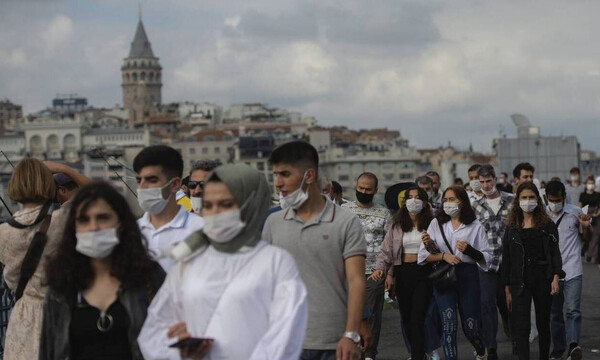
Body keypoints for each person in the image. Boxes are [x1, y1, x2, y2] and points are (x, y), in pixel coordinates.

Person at [139, 164, 308, 359]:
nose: (215, 212)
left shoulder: (275, 262)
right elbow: (156, 328)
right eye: (208, 205)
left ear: (250, 204)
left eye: (226, 204)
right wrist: (178, 351)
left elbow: (285, 336)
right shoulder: (190, 260)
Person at [262, 141, 366, 360]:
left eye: (285, 174)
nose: (278, 183)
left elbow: (356, 281)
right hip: (286, 339)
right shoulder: (273, 222)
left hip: (333, 342)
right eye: (275, 175)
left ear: (309, 176)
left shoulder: (346, 222)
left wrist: (351, 333)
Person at [39, 181, 166, 360]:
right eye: (84, 220)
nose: (93, 227)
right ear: (73, 228)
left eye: (103, 218)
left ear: (120, 223)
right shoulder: (62, 285)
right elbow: (48, 349)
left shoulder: (148, 277)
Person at [0, 159, 70, 359]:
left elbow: (11, 276)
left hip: (22, 314)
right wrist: (65, 170)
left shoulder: (3, 231)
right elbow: (98, 196)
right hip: (58, 311)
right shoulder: (61, 220)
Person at [418, 185, 492, 360]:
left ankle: (481, 350)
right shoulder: (436, 223)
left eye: (452, 199)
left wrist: (470, 251)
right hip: (445, 276)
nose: (447, 203)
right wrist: (444, 256)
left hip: (468, 276)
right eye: (445, 200)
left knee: (471, 325)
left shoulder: (475, 225)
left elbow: (486, 257)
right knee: (449, 323)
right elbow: (423, 255)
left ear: (462, 202)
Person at [502, 182, 563, 360]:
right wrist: (506, 288)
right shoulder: (512, 228)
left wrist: (556, 277)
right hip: (519, 281)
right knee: (521, 327)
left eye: (531, 197)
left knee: (543, 324)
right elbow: (507, 259)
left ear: (537, 199)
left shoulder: (547, 225)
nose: (528, 201)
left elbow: (554, 254)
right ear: (517, 201)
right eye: (524, 198)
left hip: (543, 279)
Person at [372, 186, 435, 360]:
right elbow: (387, 251)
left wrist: (430, 243)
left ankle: (417, 356)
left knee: (418, 316)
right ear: (405, 202)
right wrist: (382, 270)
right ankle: (420, 352)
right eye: (410, 197)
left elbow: (439, 249)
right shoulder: (397, 224)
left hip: (424, 272)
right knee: (406, 317)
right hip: (403, 272)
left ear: (424, 202)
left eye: (417, 197)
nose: (413, 201)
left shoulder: (432, 223)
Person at [341, 172, 390, 360]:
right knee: (349, 313)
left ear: (375, 190)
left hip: (373, 271)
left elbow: (389, 244)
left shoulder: (384, 213)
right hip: (347, 270)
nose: (363, 191)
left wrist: (389, 272)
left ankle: (369, 353)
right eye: (361, 188)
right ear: (355, 186)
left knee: (371, 315)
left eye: (368, 189)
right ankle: (351, 350)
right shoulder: (344, 210)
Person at [134, 145, 205, 271]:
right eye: (139, 180)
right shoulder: (131, 231)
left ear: (175, 185)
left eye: (152, 180)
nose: (142, 187)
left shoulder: (200, 229)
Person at [472, 165, 514, 360]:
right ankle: (491, 348)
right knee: (487, 307)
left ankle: (515, 339)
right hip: (486, 263)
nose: (486, 186)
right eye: (481, 182)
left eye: (488, 181)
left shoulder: (511, 201)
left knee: (509, 305)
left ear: (495, 179)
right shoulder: (476, 207)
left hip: (510, 263)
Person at [545, 181, 590, 360]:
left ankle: (573, 345)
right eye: (551, 200)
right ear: (546, 198)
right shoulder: (542, 215)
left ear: (564, 197)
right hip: (550, 273)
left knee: (573, 310)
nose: (555, 203)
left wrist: (586, 227)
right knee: (554, 313)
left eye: (558, 199)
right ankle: (558, 349)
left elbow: (586, 239)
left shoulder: (575, 213)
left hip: (572, 270)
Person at [579, 175, 600, 263]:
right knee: (587, 236)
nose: (590, 185)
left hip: (595, 216)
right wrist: (582, 214)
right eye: (589, 183)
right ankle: (585, 249)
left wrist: (597, 214)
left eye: (592, 183)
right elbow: (579, 206)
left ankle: (590, 255)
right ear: (586, 184)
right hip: (585, 215)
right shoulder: (583, 195)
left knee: (595, 236)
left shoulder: (597, 195)